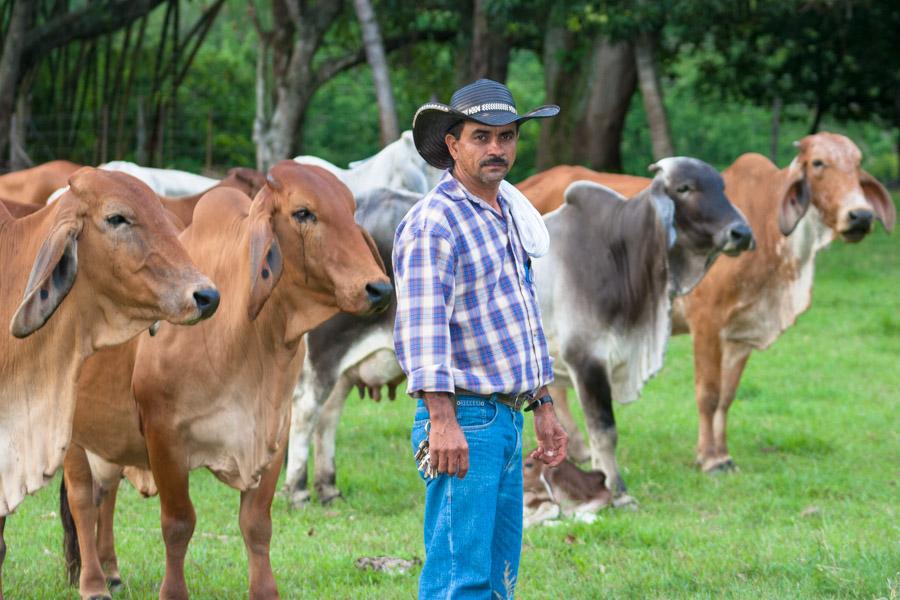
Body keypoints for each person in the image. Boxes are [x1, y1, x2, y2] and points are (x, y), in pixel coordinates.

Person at [393, 78, 569, 599]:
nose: (496, 149)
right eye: (480, 137)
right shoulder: (435, 222)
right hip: (464, 419)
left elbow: (516, 319)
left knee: (498, 579)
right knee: (458, 578)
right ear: (452, 144)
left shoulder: (505, 213)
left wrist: (543, 403)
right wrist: (442, 422)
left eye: (507, 137)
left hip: (506, 416)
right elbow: (423, 332)